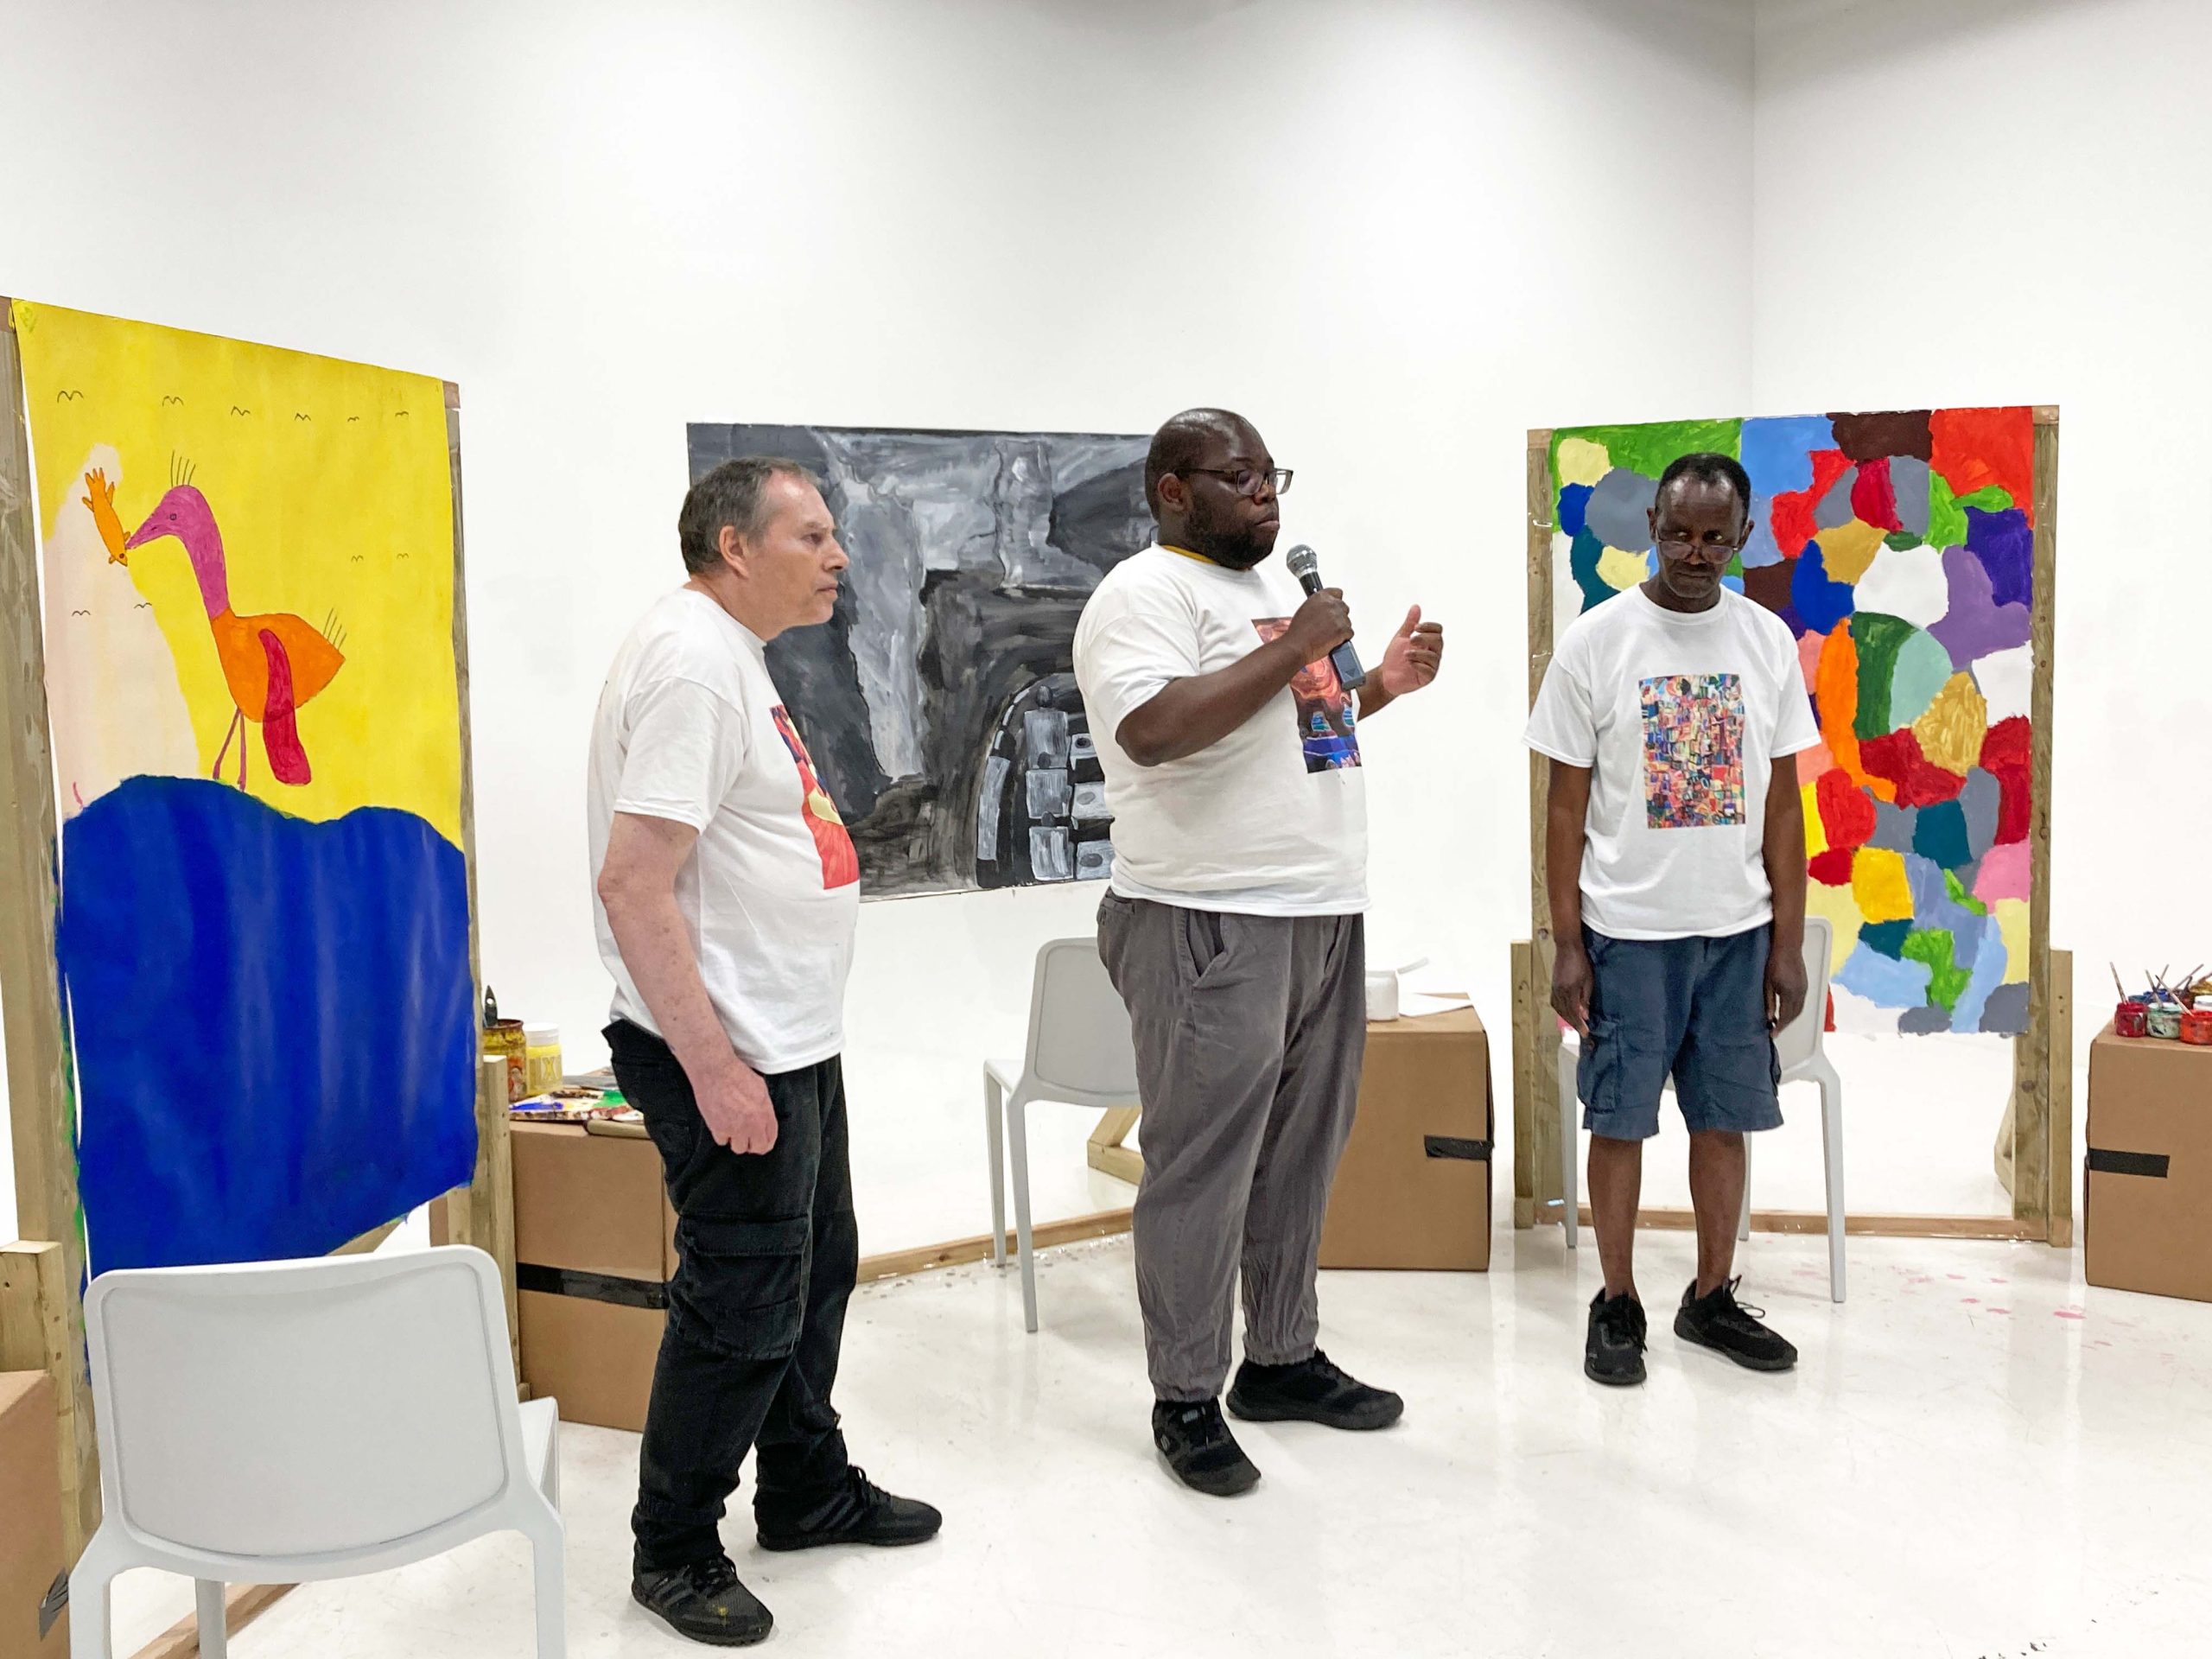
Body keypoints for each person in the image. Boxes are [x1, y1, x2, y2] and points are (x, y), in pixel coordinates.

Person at [589, 457, 939, 1647]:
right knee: (739, 1305)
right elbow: (635, 885)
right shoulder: (692, 663)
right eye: (812, 535)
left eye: (837, 534)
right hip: (733, 1049)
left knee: (811, 1271)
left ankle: (803, 1484)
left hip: (787, 1037)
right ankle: (674, 1548)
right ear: (735, 546)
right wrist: (717, 1070)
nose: (837, 555)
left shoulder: (730, 656)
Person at [1073, 408, 1445, 1497]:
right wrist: (1296, 646)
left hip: (1320, 910)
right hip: (1207, 918)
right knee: (1201, 1167)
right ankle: (1185, 1395)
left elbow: (1299, 733)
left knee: (1299, 1156)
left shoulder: (1279, 599)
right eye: (1236, 478)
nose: (1265, 495)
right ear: (1172, 492)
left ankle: (1279, 1359)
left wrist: (1376, 687)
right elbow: (1152, 730)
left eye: (1269, 474)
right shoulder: (1141, 597)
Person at [1523, 451, 1818, 1389]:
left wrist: (1785, 941)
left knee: (1722, 1122)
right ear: (1651, 521)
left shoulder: (1767, 642)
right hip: (1627, 934)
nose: (1695, 552)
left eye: (1715, 537)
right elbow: (1563, 809)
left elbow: (1781, 806)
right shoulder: (1598, 642)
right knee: (1619, 1122)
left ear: (1743, 538)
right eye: (1679, 531)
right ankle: (1615, 1302)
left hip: (1735, 935)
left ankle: (1709, 1296)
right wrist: (1566, 941)